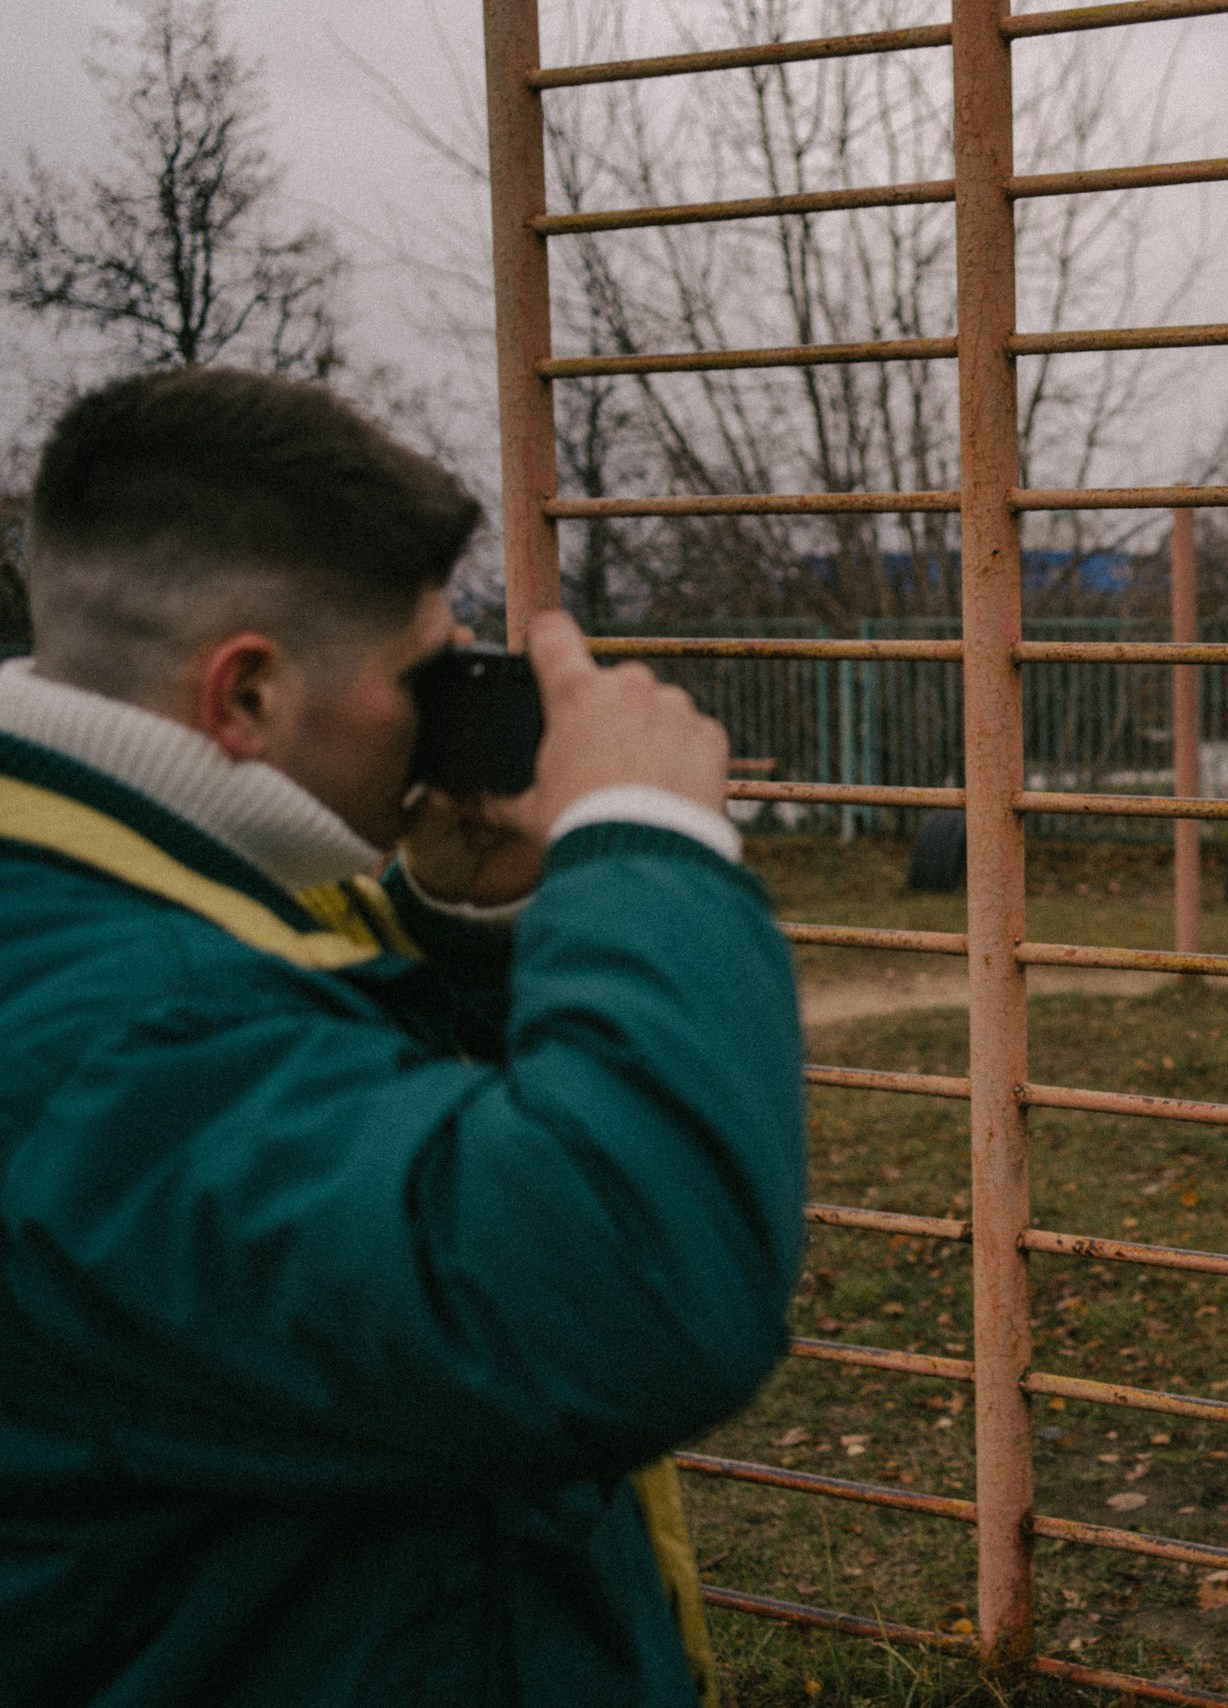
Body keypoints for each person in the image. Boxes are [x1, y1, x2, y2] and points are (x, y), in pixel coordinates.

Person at [0, 367, 807, 1706]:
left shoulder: (97, 905)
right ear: (243, 695)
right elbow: (625, 1286)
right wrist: (650, 845)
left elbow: (353, 1228)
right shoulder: (104, 1039)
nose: (446, 719)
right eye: (419, 674)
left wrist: (457, 934)